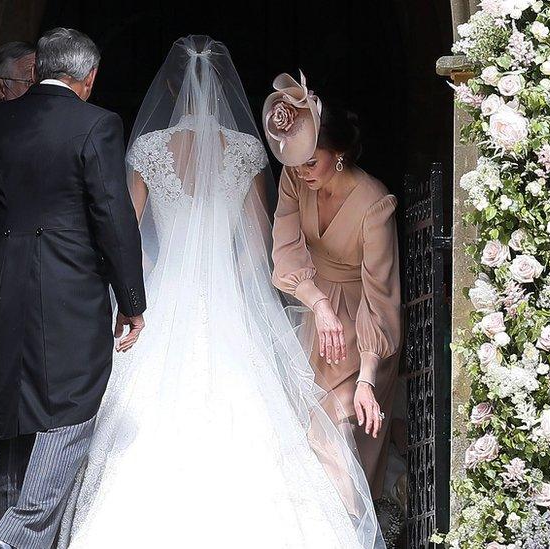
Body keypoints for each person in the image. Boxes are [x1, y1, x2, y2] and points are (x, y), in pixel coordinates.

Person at [56, 36, 383, 549]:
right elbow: (257, 245)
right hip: (231, 301)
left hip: (161, 299)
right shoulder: (248, 151)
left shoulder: (149, 149)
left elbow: (128, 233)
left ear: (169, 86)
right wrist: (240, 289)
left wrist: (145, 283)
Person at [0, 28, 146, 549]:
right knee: (74, 403)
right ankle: (14, 538)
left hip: (4, 280)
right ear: (89, 77)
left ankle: (5, 523)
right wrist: (132, 301)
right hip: (70, 284)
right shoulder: (97, 124)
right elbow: (113, 215)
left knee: (15, 404)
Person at [266, 72, 402, 499]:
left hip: (361, 333)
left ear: (339, 153)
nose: (302, 172)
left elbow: (380, 298)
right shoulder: (294, 179)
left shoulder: (374, 203)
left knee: (341, 429)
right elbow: (285, 249)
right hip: (311, 315)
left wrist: (367, 378)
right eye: (296, 162)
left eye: (312, 161)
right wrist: (318, 303)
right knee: (295, 434)